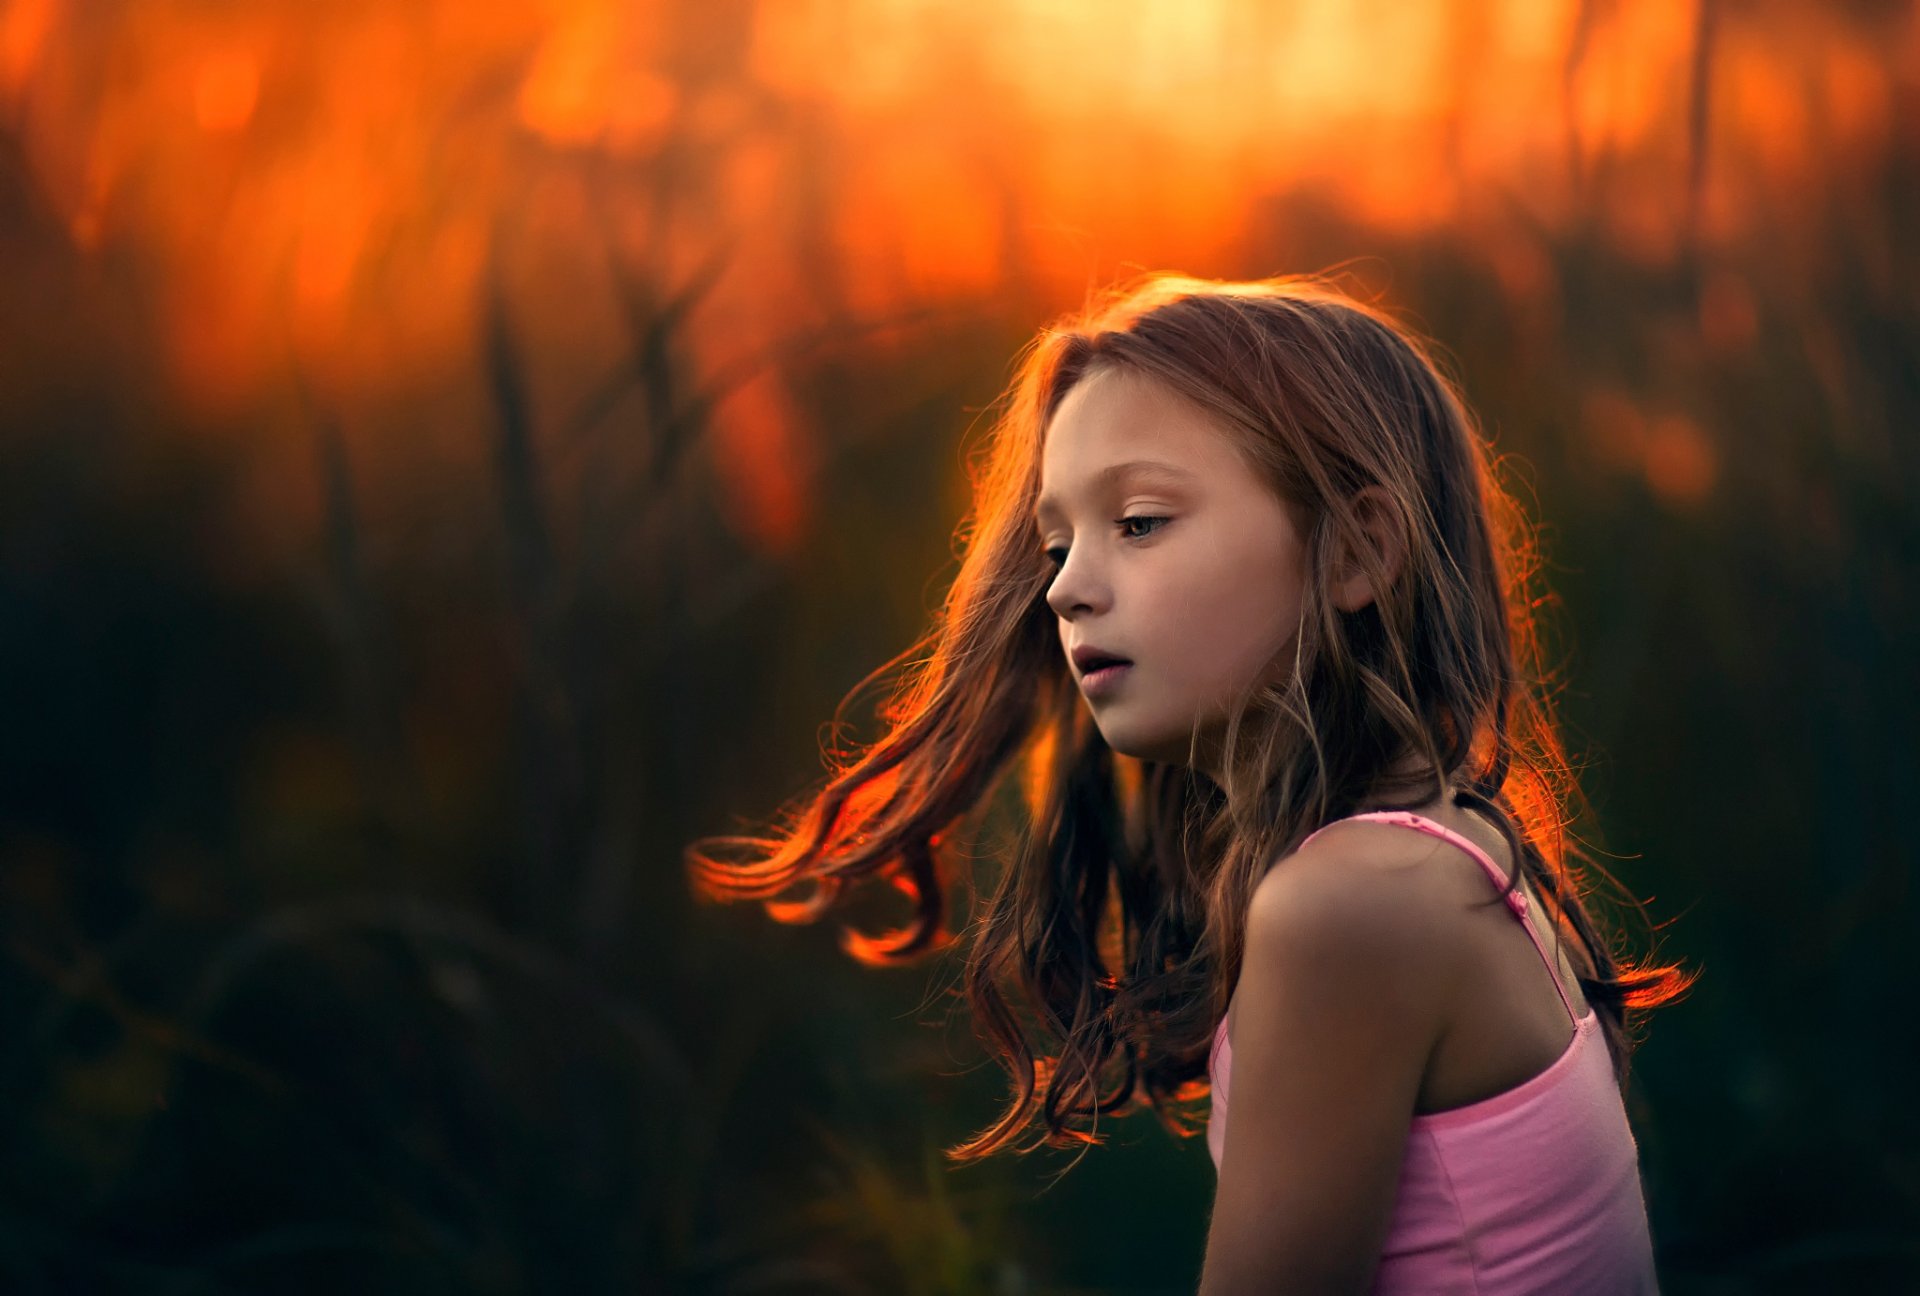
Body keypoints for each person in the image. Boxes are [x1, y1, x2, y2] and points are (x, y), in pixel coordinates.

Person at [685, 273, 1695, 1292]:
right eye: (1056, 541)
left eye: (1140, 522)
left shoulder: (1349, 907)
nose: (1067, 586)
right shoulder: (1456, 845)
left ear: (1358, 550)